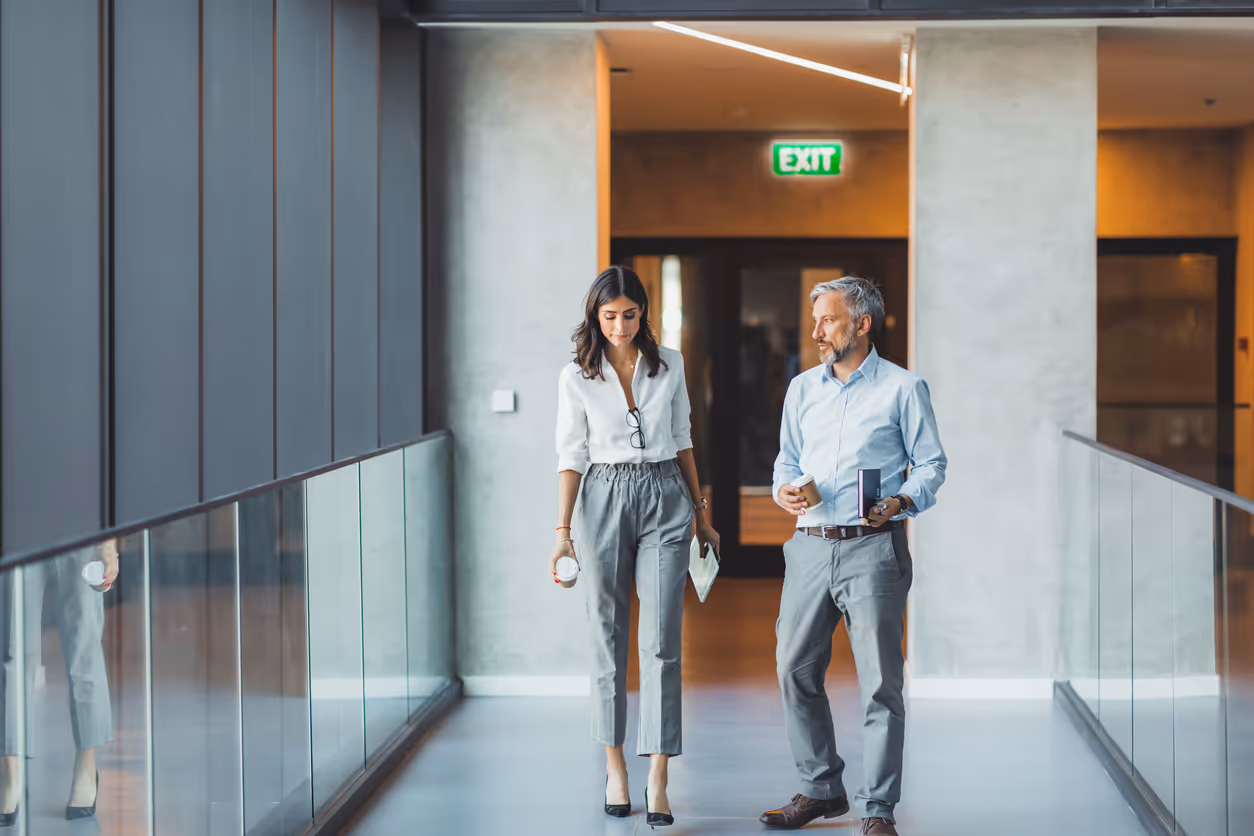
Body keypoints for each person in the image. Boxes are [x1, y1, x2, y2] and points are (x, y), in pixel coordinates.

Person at [759, 277, 946, 835]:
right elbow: (785, 461)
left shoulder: (903, 388)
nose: (816, 331)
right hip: (810, 546)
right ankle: (820, 789)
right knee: (795, 670)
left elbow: (932, 465)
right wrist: (783, 490)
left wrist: (898, 501)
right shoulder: (801, 389)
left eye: (829, 320)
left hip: (873, 549)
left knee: (880, 684)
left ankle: (878, 809)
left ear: (862, 325)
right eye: (815, 319)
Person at [552, 265, 719, 828]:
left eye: (628, 314)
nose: (619, 325)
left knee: (662, 641)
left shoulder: (668, 363)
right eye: (608, 316)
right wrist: (561, 533)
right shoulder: (576, 375)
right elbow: (570, 456)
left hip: (666, 494)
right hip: (601, 495)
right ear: (594, 318)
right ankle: (616, 767)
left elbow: (684, 440)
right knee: (607, 637)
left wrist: (702, 515)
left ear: (643, 312)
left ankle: (658, 775)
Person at [0, 539, 118, 825]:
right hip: (20, 523)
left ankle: (86, 768)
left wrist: (108, 546)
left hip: (80, 526)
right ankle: (10, 774)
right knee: (12, 653)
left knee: (84, 650)